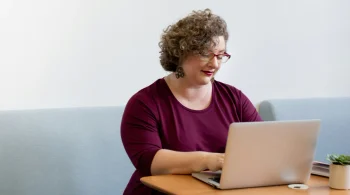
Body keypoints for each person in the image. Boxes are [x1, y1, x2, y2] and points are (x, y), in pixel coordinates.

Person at [120, 8, 262, 195]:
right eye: (206, 54)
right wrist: (209, 160)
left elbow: (262, 146)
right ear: (181, 53)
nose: (215, 64)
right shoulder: (144, 103)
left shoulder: (235, 98)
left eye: (220, 55)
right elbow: (150, 161)